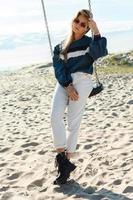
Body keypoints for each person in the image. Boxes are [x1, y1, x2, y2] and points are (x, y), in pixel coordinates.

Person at [50, 9, 108, 185]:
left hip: (83, 81)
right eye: (77, 21)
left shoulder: (90, 43)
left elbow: (101, 50)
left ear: (86, 28)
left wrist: (96, 30)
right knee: (54, 117)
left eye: (83, 24)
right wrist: (67, 85)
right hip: (64, 83)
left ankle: (64, 166)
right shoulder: (60, 47)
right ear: (73, 20)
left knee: (73, 124)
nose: (78, 25)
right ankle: (63, 159)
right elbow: (59, 68)